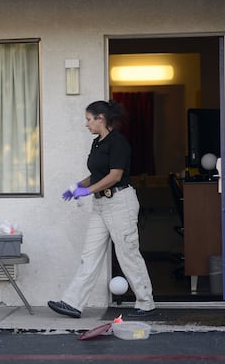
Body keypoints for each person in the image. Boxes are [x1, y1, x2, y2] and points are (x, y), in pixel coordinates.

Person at [48, 100, 156, 318]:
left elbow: (114, 176)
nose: (86, 124)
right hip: (101, 204)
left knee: (127, 253)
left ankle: (146, 302)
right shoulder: (97, 143)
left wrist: (87, 192)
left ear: (101, 119)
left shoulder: (118, 142)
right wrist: (78, 186)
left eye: (89, 119)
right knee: (90, 254)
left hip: (120, 202)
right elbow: (98, 174)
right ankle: (73, 303)